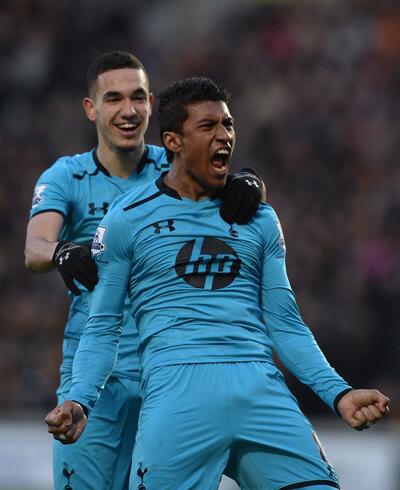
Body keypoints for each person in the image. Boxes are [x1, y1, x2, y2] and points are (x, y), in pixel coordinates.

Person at [45, 77, 389, 490]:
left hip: (261, 392)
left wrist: (339, 393)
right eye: (208, 126)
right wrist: (81, 398)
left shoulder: (258, 217)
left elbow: (286, 324)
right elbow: (103, 326)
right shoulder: (126, 219)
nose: (224, 135)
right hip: (177, 397)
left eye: (228, 124)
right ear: (173, 141)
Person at [25, 53, 264, 490]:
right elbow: (35, 247)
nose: (128, 110)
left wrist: (250, 181)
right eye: (113, 98)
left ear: (152, 104)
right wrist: (61, 251)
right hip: (94, 380)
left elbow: (226, 178)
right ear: (91, 108)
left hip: (170, 375)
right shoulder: (67, 176)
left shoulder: (177, 162)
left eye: (137, 97)